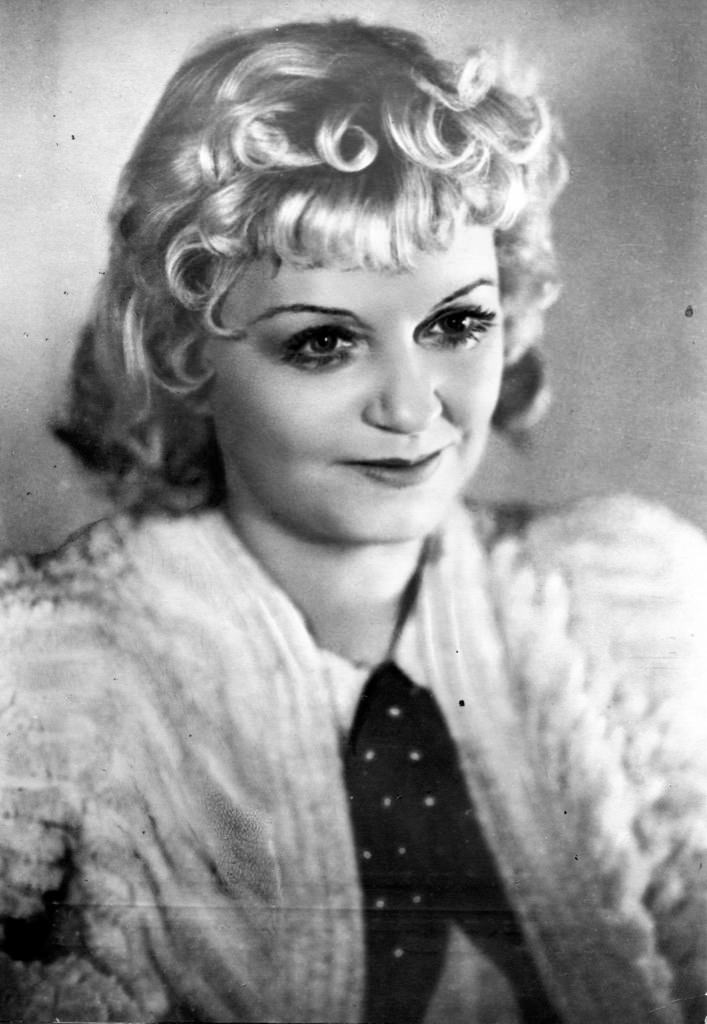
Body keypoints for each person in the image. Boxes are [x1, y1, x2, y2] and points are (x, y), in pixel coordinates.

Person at [1, 17, 705, 1024]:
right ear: (187, 353)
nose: (411, 406)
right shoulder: (54, 686)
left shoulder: (621, 614)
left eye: (456, 324)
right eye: (324, 343)